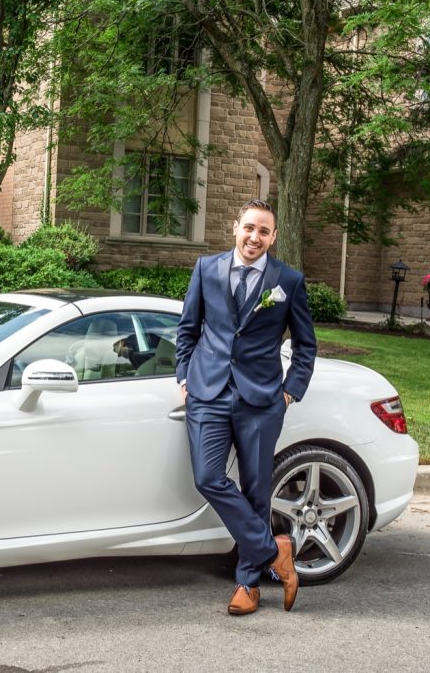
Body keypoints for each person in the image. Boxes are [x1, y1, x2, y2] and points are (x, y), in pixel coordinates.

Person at [175, 199, 317, 616]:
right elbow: (188, 329)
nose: (255, 237)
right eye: (249, 228)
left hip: (261, 400)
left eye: (264, 231)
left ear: (273, 238)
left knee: (257, 491)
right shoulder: (206, 269)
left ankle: (247, 586)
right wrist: (184, 377)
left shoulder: (288, 281)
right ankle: (275, 551)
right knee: (208, 477)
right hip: (208, 393)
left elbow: (306, 346)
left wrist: (289, 392)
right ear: (235, 227)